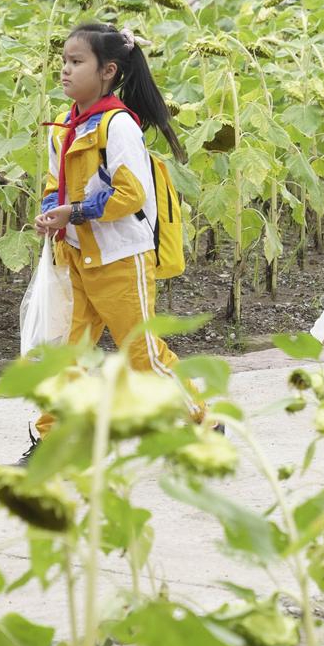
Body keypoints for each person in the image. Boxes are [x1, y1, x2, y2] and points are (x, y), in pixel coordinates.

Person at [25, 23, 200, 460]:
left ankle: (199, 422)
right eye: (63, 61)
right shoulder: (62, 125)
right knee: (66, 353)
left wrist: (76, 212)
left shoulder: (118, 125)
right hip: (75, 256)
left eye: (76, 62)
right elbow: (55, 182)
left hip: (122, 259)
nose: (64, 70)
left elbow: (130, 193)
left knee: (141, 350)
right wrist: (52, 211)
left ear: (108, 72)